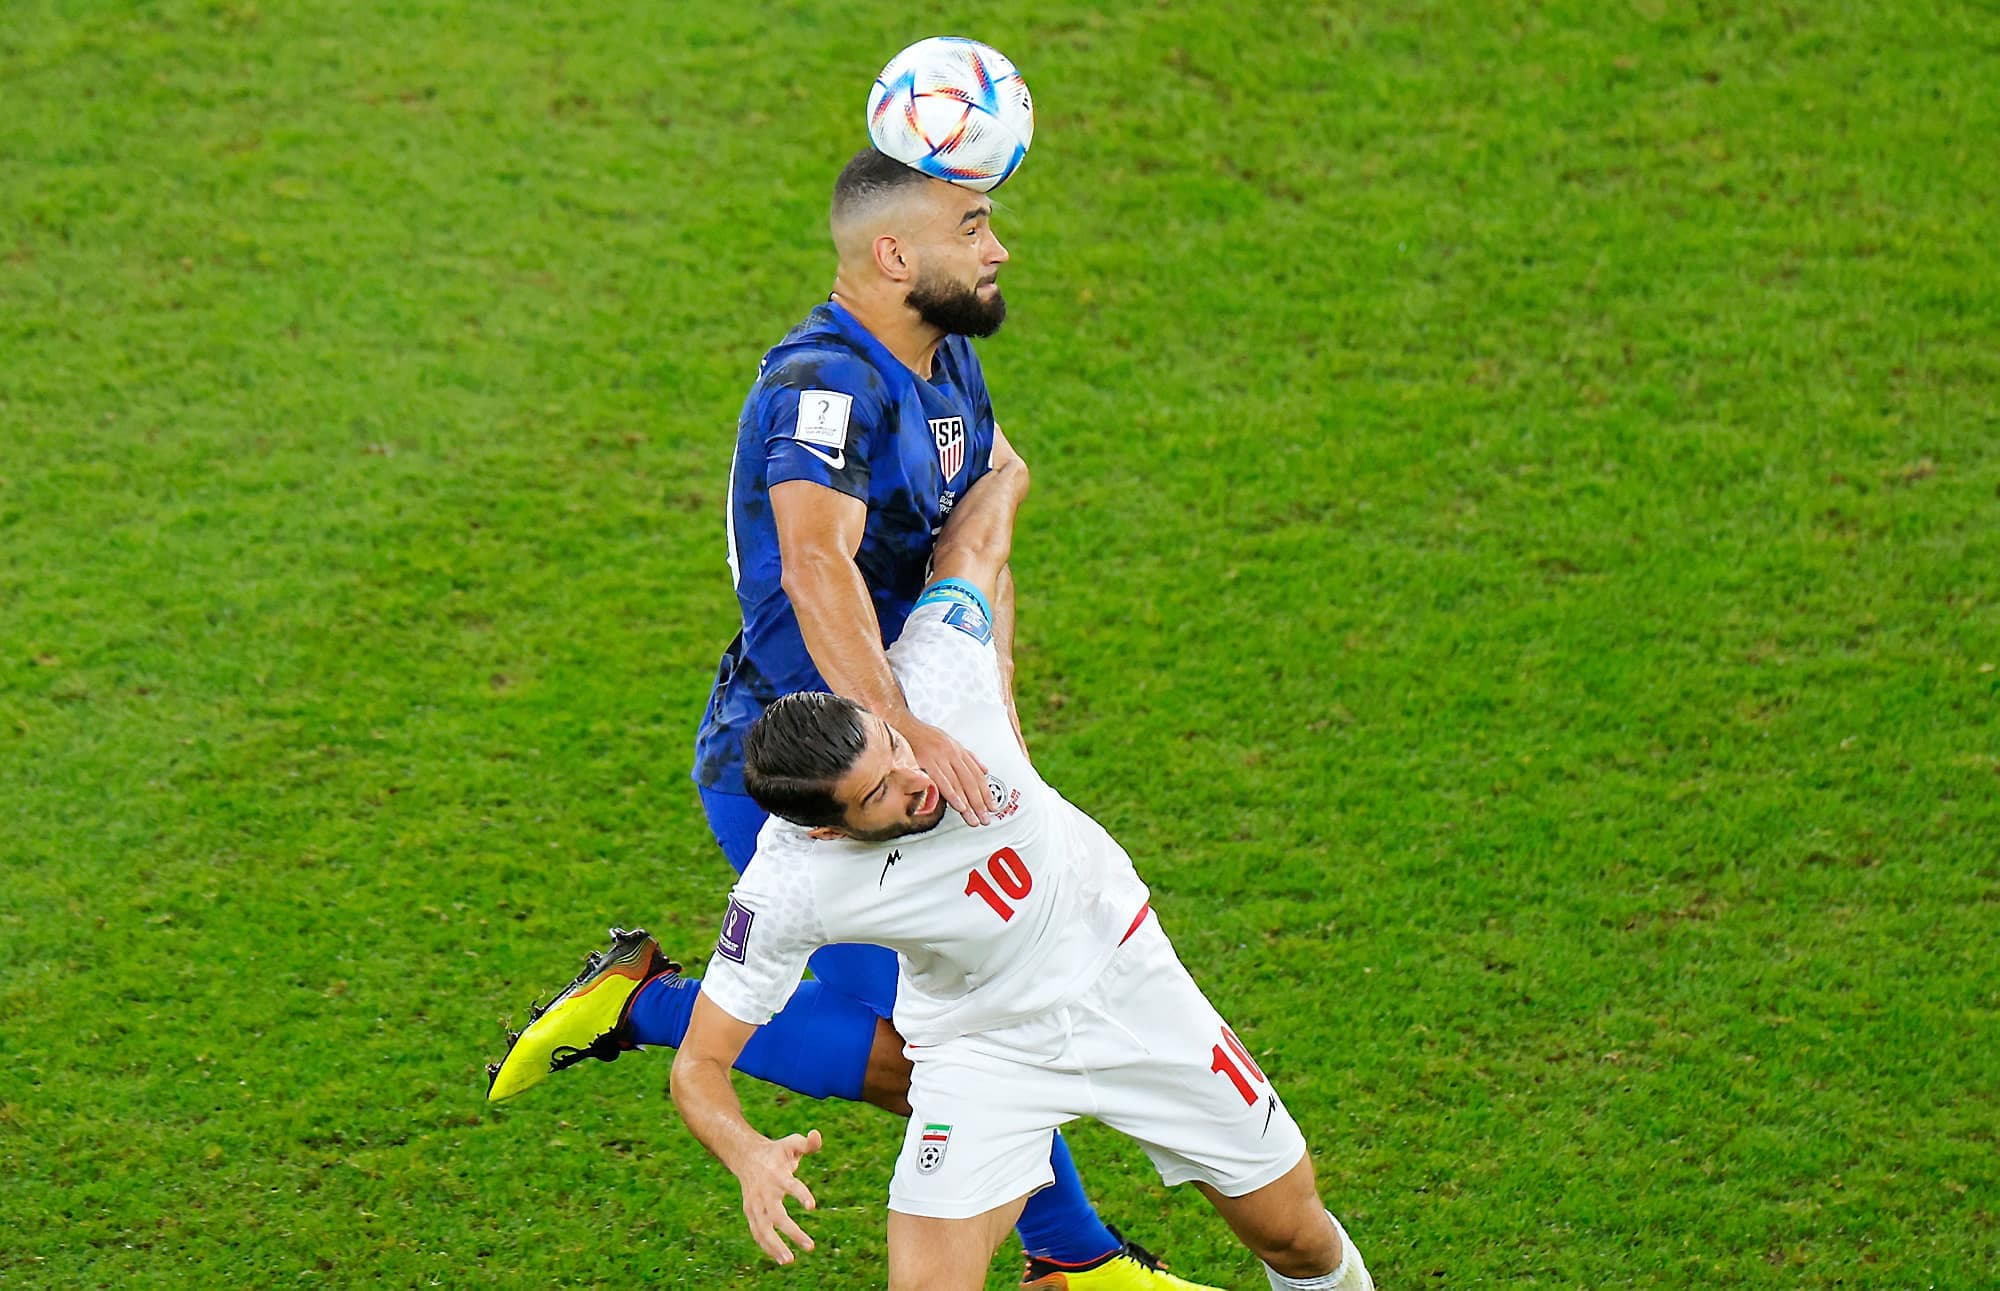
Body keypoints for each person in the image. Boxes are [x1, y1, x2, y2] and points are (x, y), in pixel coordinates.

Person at [487, 146, 1212, 1290]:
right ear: (893, 253)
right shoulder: (819, 387)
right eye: (972, 226)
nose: (998, 247)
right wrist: (904, 725)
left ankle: (1068, 1256)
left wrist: (991, 721)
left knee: (960, 1035)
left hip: (912, 755)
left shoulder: (946, 359)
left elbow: (983, 526)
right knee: (939, 1054)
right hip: (808, 768)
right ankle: (656, 1011)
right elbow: (815, 562)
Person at [669, 461, 1376, 1291]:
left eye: (893, 748)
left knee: (1295, 1236)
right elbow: (699, 1067)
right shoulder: (790, 881)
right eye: (879, 795)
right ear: (825, 827)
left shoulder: (936, 670)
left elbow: (974, 545)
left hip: (1124, 977)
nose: (916, 778)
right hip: (980, 1047)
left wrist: (1003, 467)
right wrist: (747, 1152)